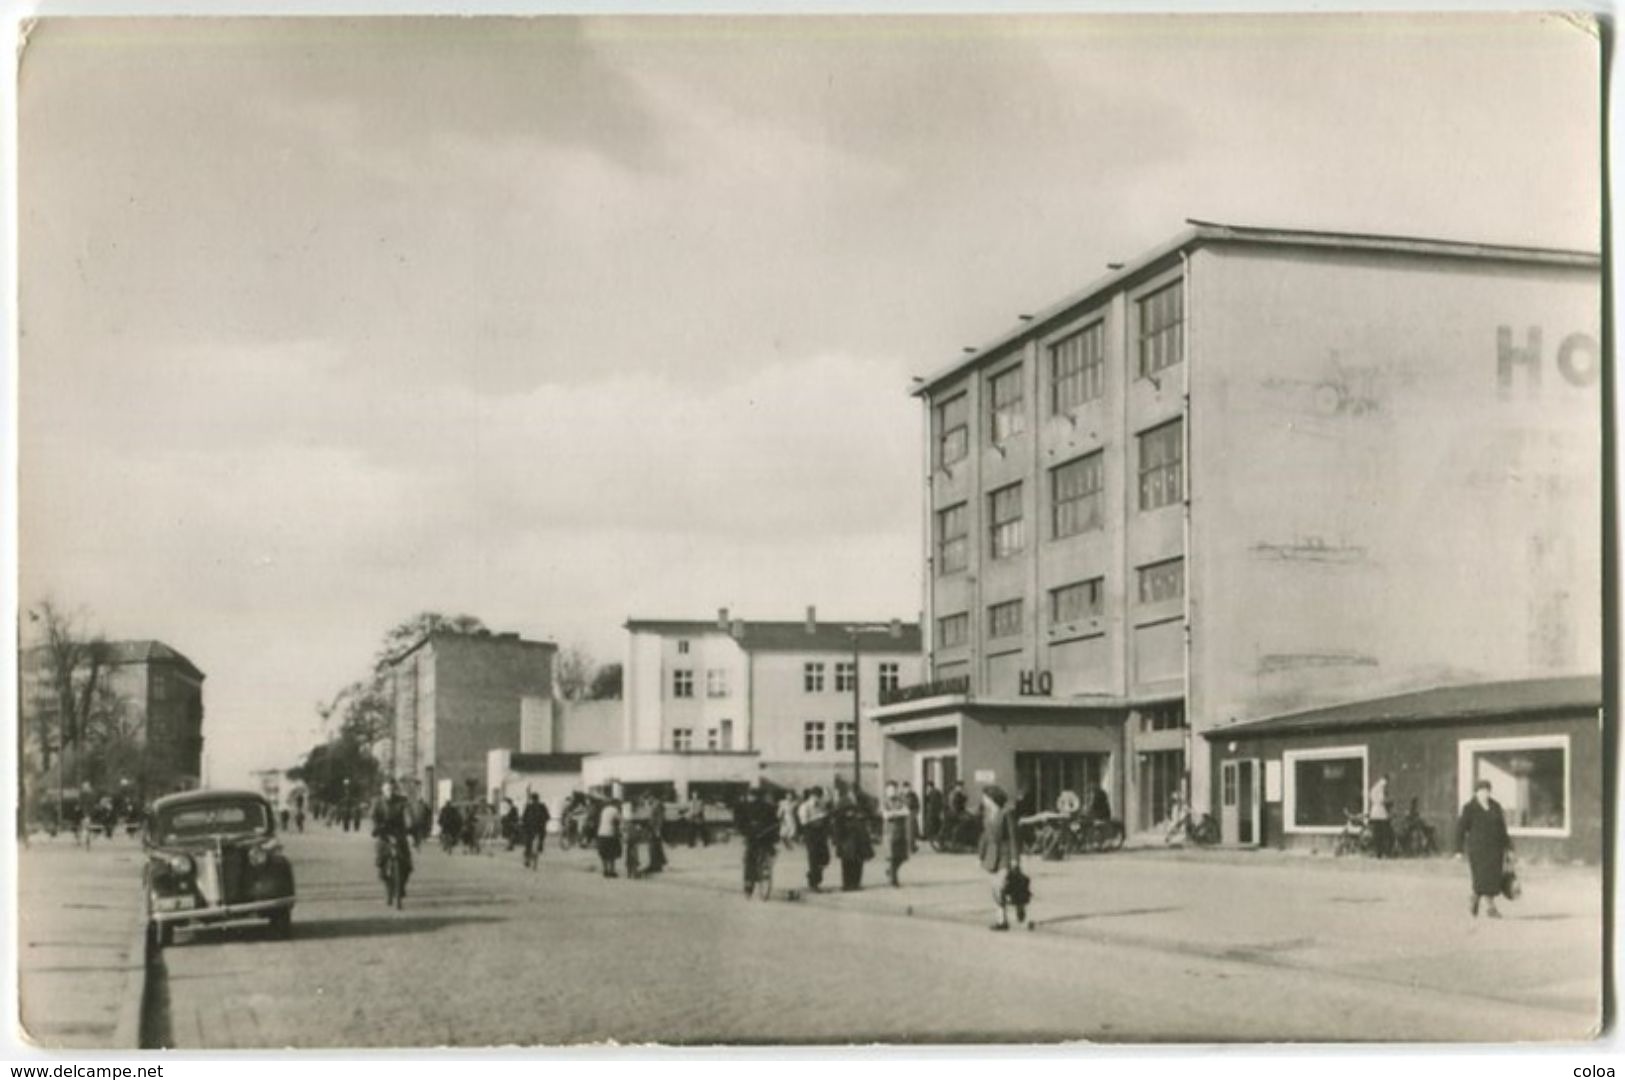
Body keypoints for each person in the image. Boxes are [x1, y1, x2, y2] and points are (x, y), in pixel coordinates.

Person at [1456, 780, 1512, 918]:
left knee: (1493, 879)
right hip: (1478, 849)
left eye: (1487, 790)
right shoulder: (1469, 808)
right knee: (1481, 877)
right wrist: (1458, 850)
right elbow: (1461, 829)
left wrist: (1508, 847)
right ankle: (1491, 908)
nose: (1485, 793)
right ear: (1476, 792)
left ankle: (1474, 897)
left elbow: (1502, 829)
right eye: (1482, 790)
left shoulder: (1495, 806)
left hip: (1495, 849)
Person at [978, 784, 1024, 931]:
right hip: (992, 856)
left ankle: (1016, 906)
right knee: (996, 888)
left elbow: (1013, 837)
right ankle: (1002, 919)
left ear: (992, 798)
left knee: (1001, 885)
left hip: (1005, 855)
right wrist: (981, 854)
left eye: (985, 798)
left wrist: (1015, 859)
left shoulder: (1006, 813)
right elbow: (986, 836)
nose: (984, 800)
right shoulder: (987, 814)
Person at [371, 780, 414, 901]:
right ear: (383, 791)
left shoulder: (402, 801)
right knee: (380, 862)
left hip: (399, 833)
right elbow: (373, 817)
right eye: (387, 789)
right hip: (383, 833)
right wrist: (376, 828)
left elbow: (407, 814)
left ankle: (401, 886)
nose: (390, 792)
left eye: (392, 789)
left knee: (407, 864)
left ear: (395, 790)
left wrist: (409, 826)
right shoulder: (377, 802)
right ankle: (388, 886)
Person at [830, 779, 874, 892]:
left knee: (859, 859)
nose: (854, 793)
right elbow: (836, 818)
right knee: (847, 860)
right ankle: (847, 884)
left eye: (856, 790)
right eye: (852, 791)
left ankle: (856, 883)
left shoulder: (862, 801)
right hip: (847, 836)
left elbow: (870, 813)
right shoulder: (842, 802)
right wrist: (838, 838)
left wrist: (863, 816)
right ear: (848, 791)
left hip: (860, 836)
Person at [739, 786, 779, 898]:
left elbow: (741, 823)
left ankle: (749, 883)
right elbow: (776, 822)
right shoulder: (769, 807)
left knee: (749, 858)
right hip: (766, 835)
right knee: (770, 853)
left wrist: (744, 832)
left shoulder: (746, 807)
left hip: (754, 836)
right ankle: (765, 871)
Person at [798, 786, 831, 892]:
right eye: (815, 796)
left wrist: (825, 819)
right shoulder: (805, 806)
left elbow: (825, 815)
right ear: (811, 796)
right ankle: (814, 883)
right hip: (810, 833)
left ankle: (812, 874)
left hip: (821, 833)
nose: (817, 799)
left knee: (825, 858)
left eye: (819, 796)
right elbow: (804, 822)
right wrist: (818, 818)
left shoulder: (822, 805)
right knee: (813, 857)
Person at [882, 781, 911, 887]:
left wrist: (894, 813)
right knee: (892, 856)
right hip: (889, 832)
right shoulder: (885, 801)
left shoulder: (901, 800)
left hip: (901, 831)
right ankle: (893, 880)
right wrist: (898, 813)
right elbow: (886, 815)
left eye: (894, 789)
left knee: (902, 857)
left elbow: (907, 812)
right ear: (886, 791)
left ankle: (890, 871)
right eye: (890, 790)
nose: (892, 792)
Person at [596, 797, 623, 878]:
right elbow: (620, 821)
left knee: (604, 853)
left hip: (601, 833)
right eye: (619, 804)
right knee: (612, 854)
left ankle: (605, 870)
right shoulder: (615, 810)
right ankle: (612, 871)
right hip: (610, 834)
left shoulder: (604, 810)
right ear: (616, 804)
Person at [521, 793, 549, 869]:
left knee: (528, 843)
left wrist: (525, 824)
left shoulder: (529, 806)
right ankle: (540, 846)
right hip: (540, 828)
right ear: (538, 798)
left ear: (531, 799)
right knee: (541, 838)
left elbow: (523, 818)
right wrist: (543, 822)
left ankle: (527, 858)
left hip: (530, 829)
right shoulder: (542, 806)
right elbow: (547, 817)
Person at [1368, 774, 1393, 858]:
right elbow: (1382, 800)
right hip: (1380, 814)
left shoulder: (1375, 787)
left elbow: (1372, 797)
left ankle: (1378, 853)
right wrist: (1388, 802)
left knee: (1377, 834)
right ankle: (1383, 852)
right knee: (1384, 834)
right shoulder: (1381, 787)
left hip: (1375, 813)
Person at [645, 795, 667, 874]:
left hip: (655, 828)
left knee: (654, 847)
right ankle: (656, 865)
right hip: (653, 828)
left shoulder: (657, 805)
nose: (647, 801)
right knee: (654, 847)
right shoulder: (655, 805)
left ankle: (655, 865)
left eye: (648, 798)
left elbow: (660, 818)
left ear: (652, 797)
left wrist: (657, 829)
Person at [902, 782, 921, 853]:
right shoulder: (902, 795)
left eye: (908, 788)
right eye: (905, 788)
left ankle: (912, 847)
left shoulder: (913, 795)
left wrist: (915, 813)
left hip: (911, 814)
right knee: (906, 832)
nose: (907, 789)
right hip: (904, 814)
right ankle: (909, 847)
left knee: (911, 832)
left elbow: (917, 805)